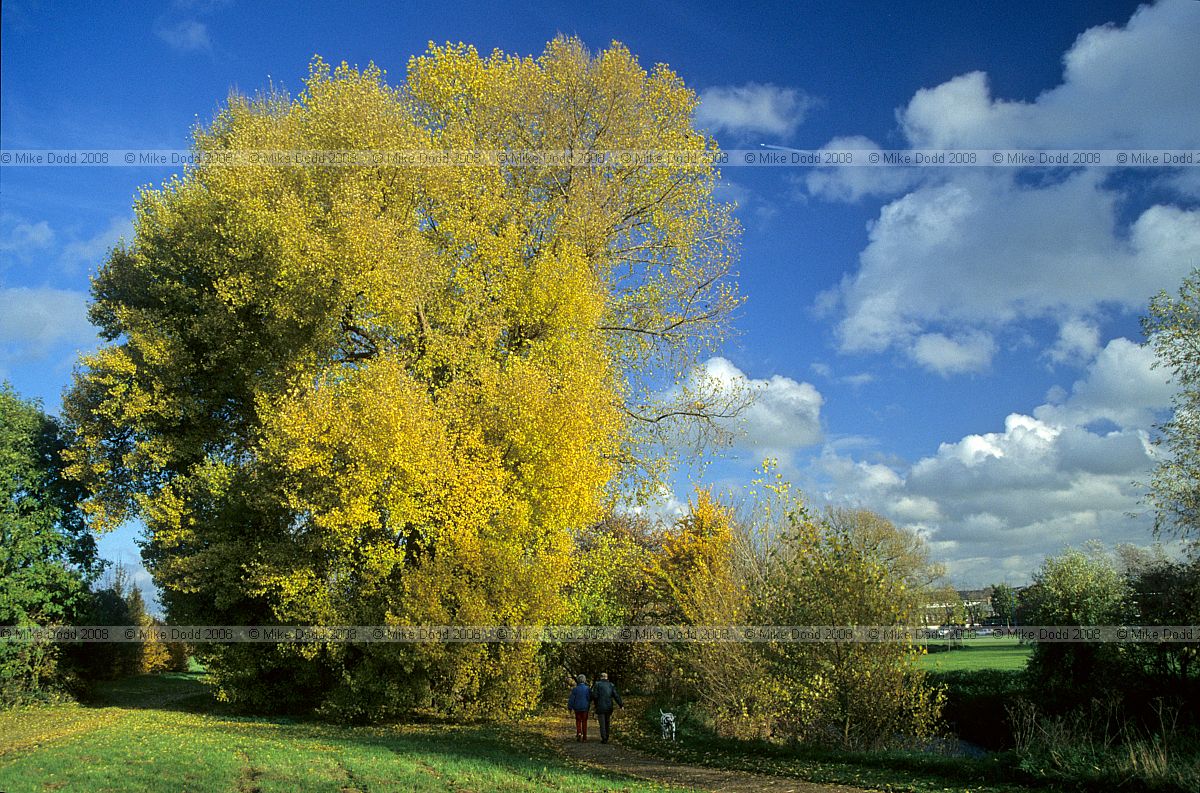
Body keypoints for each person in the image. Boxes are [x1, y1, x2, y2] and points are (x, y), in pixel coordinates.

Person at [590, 672, 624, 743]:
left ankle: (604, 738)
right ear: (607, 677)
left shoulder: (597, 684)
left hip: (600, 706)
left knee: (602, 723)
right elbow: (616, 695)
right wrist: (621, 705)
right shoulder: (611, 685)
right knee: (607, 722)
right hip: (609, 706)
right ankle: (607, 736)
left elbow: (595, 696)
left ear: (601, 677)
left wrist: (594, 703)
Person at [567, 674, 591, 742]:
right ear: (584, 680)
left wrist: (570, 707)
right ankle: (585, 737)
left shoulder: (575, 689)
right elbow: (589, 698)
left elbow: (572, 699)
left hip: (577, 708)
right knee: (584, 721)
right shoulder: (587, 689)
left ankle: (579, 732)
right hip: (585, 707)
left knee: (578, 720)